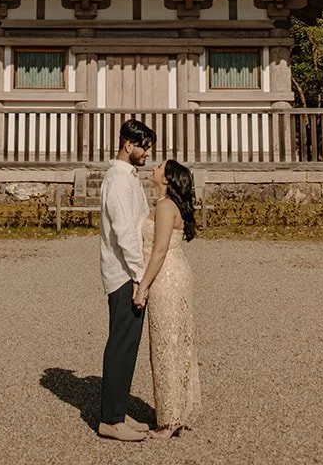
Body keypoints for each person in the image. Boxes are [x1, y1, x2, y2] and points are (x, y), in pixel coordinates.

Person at [133, 159, 201, 439]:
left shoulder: (164, 206)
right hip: (176, 273)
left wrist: (142, 287)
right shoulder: (168, 205)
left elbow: (159, 250)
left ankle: (170, 419)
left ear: (168, 178)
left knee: (165, 345)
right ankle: (175, 411)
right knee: (175, 343)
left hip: (166, 278)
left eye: (160, 166)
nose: (154, 167)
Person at [98, 118, 155, 442]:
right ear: (127, 145)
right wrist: (139, 276)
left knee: (128, 343)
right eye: (144, 147)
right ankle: (110, 419)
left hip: (130, 272)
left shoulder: (128, 177)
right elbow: (124, 232)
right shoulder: (118, 180)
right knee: (121, 343)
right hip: (124, 274)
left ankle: (117, 410)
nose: (148, 153)